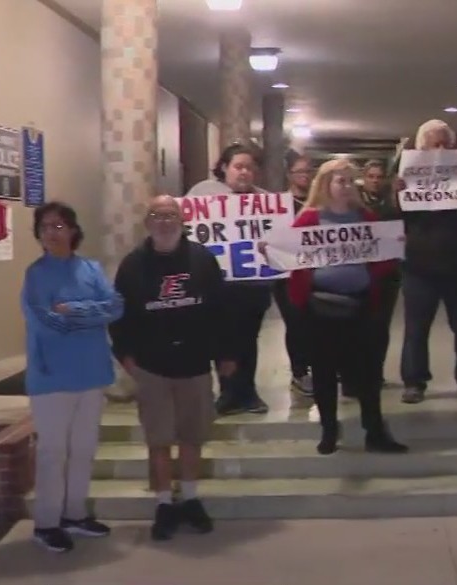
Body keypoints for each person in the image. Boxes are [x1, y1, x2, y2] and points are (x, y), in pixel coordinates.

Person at [109, 195, 236, 541]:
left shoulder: (202, 259)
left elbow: (221, 310)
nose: (164, 221)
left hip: (194, 364)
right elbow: (119, 315)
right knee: (159, 439)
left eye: (170, 215)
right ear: (147, 222)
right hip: (153, 367)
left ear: (182, 220)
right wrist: (126, 356)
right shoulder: (133, 264)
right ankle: (165, 503)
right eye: (156, 215)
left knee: (192, 436)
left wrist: (226, 353)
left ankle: (191, 498)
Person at [280, 159, 408, 455]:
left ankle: (374, 430)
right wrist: (270, 248)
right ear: (326, 184)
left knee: (366, 372)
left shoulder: (365, 217)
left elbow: (382, 261)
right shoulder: (310, 218)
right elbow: (288, 253)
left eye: (351, 181)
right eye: (340, 181)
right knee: (324, 371)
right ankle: (328, 429)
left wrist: (394, 244)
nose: (347, 186)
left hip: (360, 307)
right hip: (320, 307)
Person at [21, 202, 123, 553]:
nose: (53, 231)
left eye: (60, 225)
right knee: (53, 452)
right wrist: (89, 315)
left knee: (83, 449)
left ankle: (75, 514)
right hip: (51, 377)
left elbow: (115, 307)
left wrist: (76, 310)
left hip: (91, 373)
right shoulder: (36, 275)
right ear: (39, 234)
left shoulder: (91, 270)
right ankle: (47, 523)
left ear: (73, 231)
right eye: (46, 226)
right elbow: (46, 320)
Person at [397, 119, 457, 404]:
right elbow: (393, 218)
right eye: (436, 145)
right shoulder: (407, 181)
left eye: (447, 144)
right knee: (416, 329)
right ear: (422, 149)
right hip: (419, 268)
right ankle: (414, 382)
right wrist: (396, 194)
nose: (442, 149)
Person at [186, 142, 272, 415]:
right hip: (216, 286)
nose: (244, 172)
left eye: (249, 167)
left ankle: (248, 393)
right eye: (238, 166)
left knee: (247, 339)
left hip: (252, 285)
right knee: (221, 341)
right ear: (224, 168)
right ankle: (228, 393)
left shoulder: (266, 201)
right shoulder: (203, 193)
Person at [359, 160, 402, 390]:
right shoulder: (355, 204)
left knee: (381, 327)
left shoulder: (393, 203)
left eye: (379, 177)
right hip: (361, 273)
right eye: (371, 176)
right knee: (360, 326)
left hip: (388, 273)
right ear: (364, 178)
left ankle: (377, 373)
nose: (375, 181)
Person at [276, 154, 315, 404]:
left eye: (308, 171)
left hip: (317, 271)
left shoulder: (321, 203)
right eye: (299, 171)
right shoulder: (278, 205)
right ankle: (299, 372)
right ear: (289, 174)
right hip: (287, 274)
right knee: (296, 321)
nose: (304, 175)